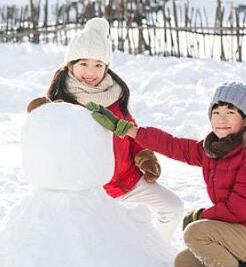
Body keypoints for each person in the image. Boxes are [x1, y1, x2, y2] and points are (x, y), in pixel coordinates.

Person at [88, 80, 246, 267]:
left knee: (196, 232)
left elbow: (237, 210)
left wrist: (199, 216)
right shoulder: (216, 148)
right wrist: (128, 129)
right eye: (216, 112)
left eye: (230, 112)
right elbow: (174, 146)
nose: (221, 119)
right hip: (240, 232)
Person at [40, 17, 184, 240]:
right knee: (100, 240)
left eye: (98, 65)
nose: (91, 72)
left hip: (128, 179)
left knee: (173, 208)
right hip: (91, 192)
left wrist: (143, 155)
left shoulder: (114, 95)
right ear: (70, 65)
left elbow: (131, 130)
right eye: (83, 64)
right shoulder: (63, 103)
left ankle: (154, 251)